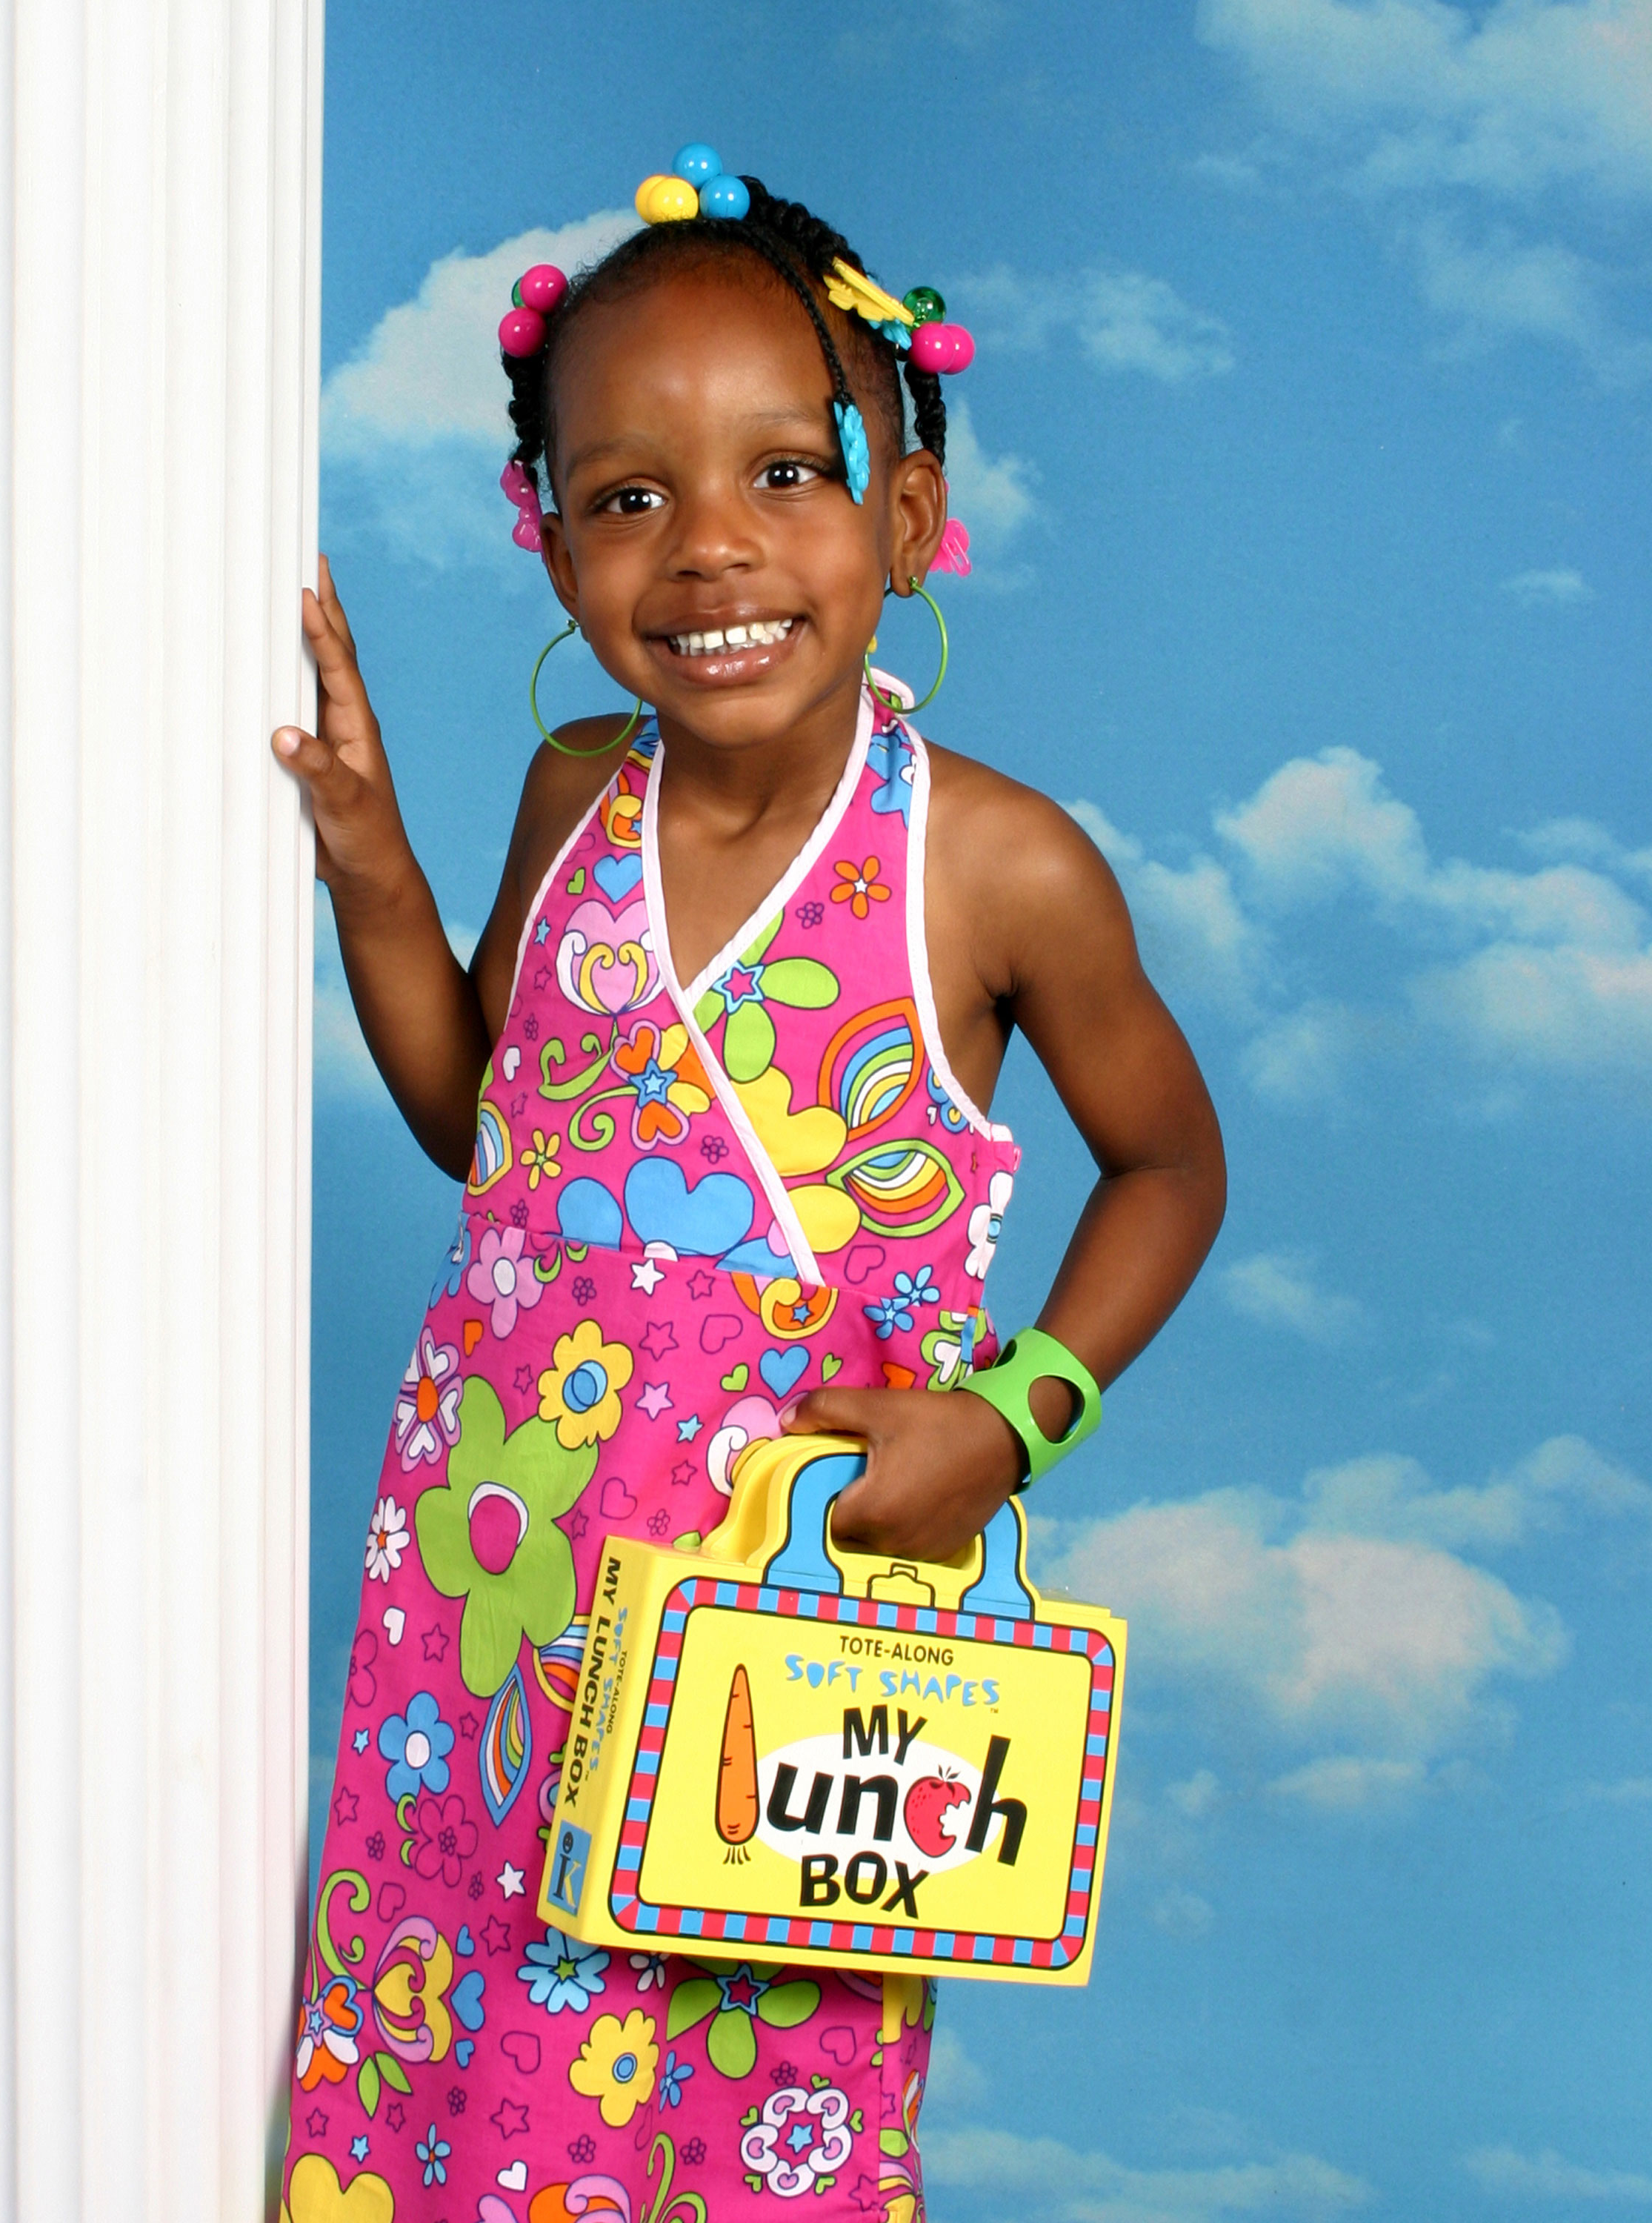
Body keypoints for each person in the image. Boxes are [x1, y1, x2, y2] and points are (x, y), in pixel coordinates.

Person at [271, 150, 1225, 2223]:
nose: (710, 546)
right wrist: (368, 860)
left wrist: (1013, 1415)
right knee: (450, 2107)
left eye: (785, 475)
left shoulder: (993, 866)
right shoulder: (569, 798)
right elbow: (488, 1124)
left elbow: (1168, 1164)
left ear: (907, 515)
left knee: (745, 2137)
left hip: (784, 1647)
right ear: (550, 543)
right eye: (630, 497)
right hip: (494, 1607)